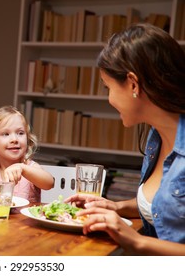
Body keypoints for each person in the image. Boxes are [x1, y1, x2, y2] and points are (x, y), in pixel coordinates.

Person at [65, 23, 185, 255]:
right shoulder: (155, 138)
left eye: (108, 87)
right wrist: (117, 207)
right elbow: (166, 206)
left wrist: (137, 241)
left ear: (132, 84)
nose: (109, 99)